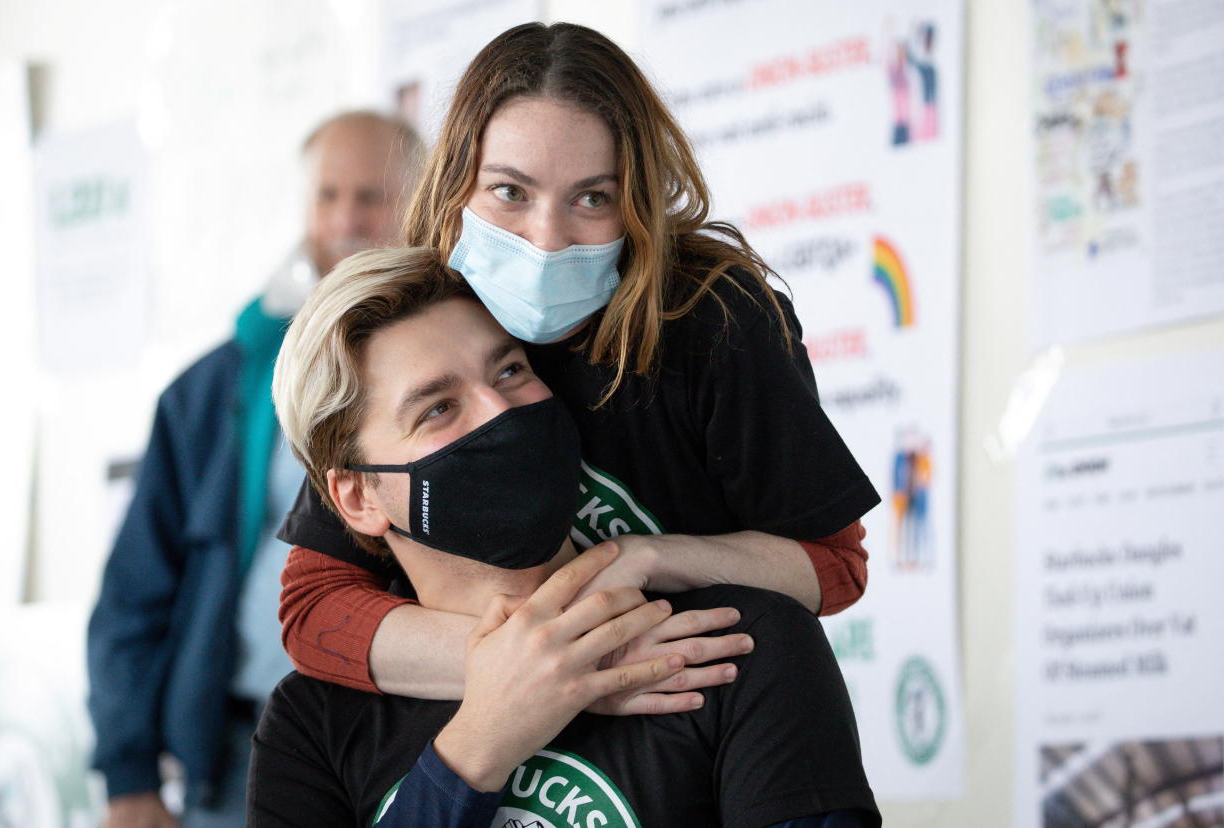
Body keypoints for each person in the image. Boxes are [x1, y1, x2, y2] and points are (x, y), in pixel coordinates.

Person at [276, 21, 880, 715]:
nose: (546, 237)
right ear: (455, 187)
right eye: (509, 192)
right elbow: (313, 609)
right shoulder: (420, 317)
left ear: (637, 202)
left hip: (702, 728)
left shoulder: (714, 321)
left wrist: (651, 558)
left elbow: (834, 566)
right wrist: (553, 671)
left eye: (592, 198)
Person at [250, 246, 881, 827]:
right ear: (358, 497)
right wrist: (474, 752)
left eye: (510, 371)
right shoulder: (311, 723)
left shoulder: (730, 646)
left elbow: (837, 562)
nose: (502, 413)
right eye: (438, 408)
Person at [86, 111, 423, 828]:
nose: (347, 218)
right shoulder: (216, 389)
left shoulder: (466, 379)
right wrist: (128, 774)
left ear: (422, 204)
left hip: (399, 748)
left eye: (372, 196)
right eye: (327, 196)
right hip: (236, 755)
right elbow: (133, 593)